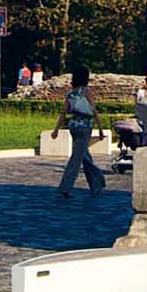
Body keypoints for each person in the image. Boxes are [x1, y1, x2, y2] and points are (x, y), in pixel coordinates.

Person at [51, 68, 106, 200]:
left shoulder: (70, 94)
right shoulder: (86, 91)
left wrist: (56, 129)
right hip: (85, 126)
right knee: (76, 158)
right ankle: (67, 186)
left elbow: (64, 113)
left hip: (73, 126)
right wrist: (100, 128)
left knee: (84, 156)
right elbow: (93, 110)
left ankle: (95, 185)